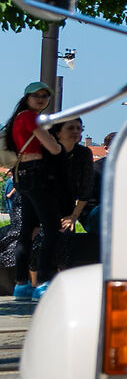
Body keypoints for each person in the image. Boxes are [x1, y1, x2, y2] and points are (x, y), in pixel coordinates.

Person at [9, 82, 64, 297]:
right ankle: (42, 283)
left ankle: (21, 284)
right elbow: (54, 148)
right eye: (37, 95)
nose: (42, 99)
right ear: (27, 97)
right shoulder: (31, 118)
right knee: (51, 228)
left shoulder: (17, 118)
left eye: (45, 96)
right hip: (35, 173)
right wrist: (55, 142)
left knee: (27, 230)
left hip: (21, 174)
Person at [48, 119, 99, 271]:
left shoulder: (83, 153)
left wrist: (74, 215)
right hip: (41, 201)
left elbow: (86, 187)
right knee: (42, 241)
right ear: (58, 133)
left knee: (65, 244)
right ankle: (33, 282)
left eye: (79, 128)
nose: (76, 131)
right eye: (71, 128)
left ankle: (59, 278)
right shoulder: (48, 152)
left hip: (67, 204)